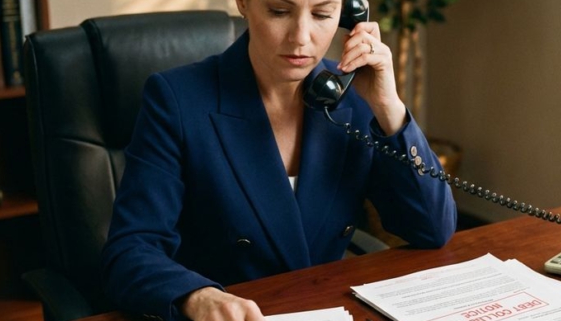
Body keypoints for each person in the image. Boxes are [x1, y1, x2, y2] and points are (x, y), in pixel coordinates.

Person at [100, 0, 457, 320]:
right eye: (279, 11)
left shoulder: (353, 96)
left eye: (321, 13)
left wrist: (388, 107)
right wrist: (196, 296)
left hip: (325, 307)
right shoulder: (176, 99)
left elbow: (432, 229)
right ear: (243, 3)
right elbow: (131, 249)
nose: (301, 37)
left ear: (349, 14)